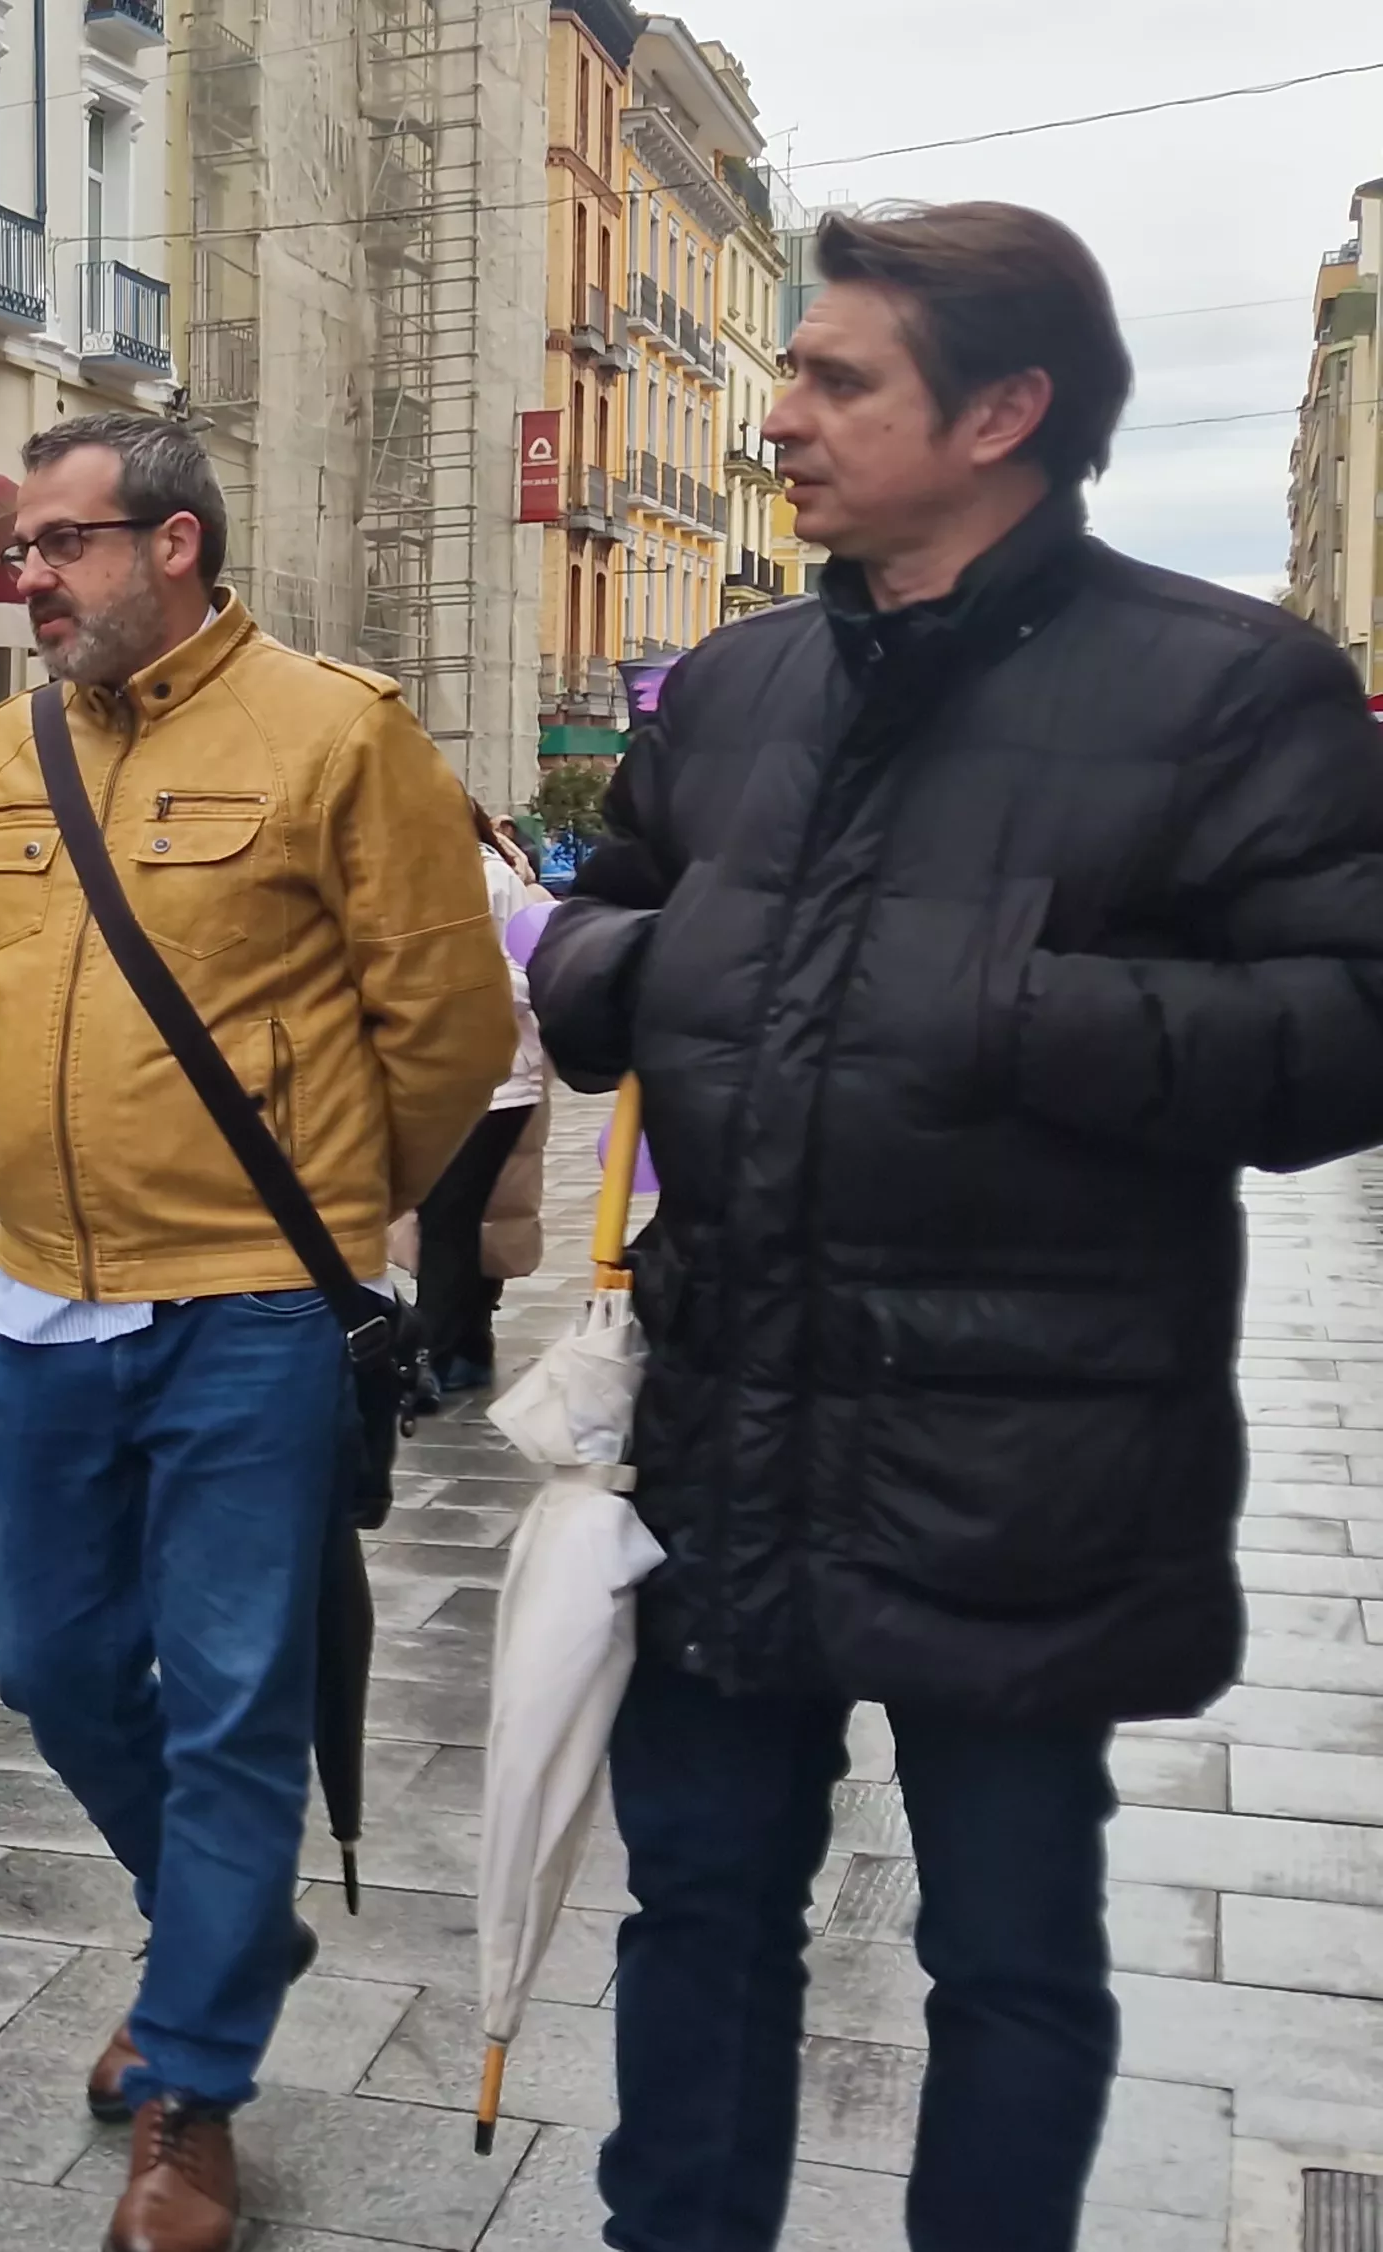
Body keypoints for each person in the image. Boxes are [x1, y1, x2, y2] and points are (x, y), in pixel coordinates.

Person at [531, 203, 1383, 2252]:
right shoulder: (732, 682)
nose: (778, 419)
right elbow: (597, 911)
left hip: (1028, 1451)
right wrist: (622, 976)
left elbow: (1343, 1030)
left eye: (833, 380)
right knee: (697, 1907)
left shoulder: (1227, 686)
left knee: (1007, 1949)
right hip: (729, 1425)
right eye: (789, 371)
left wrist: (1002, 1002)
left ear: (1002, 411)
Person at [0, 413, 513, 2252]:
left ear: (175, 543)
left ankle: (192, 2092)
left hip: (255, 1306)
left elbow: (445, 1028)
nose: (26, 575)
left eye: (62, 543)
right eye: (20, 547)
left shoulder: (340, 733)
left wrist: (324, 1213)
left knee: (239, 1699)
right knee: (50, 1660)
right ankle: (230, 1925)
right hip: (34, 1293)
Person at [402, 804, 550, 1396]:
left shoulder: (486, 877)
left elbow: (529, 969)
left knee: (447, 1215)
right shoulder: (441, 872)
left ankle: (431, 1356)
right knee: (460, 1214)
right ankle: (464, 1348)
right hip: (463, 1073)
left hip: (496, 1076)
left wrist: (463, 982)